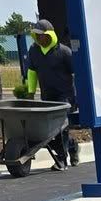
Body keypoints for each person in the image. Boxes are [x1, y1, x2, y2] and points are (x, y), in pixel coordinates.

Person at [18, 19, 79, 167]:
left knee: (61, 127)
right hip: (48, 96)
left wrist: (78, 97)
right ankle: (72, 145)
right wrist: (31, 92)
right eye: (36, 35)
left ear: (50, 35)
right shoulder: (34, 51)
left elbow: (76, 73)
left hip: (65, 96)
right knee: (52, 131)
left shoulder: (64, 52)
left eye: (42, 35)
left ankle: (62, 160)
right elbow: (31, 72)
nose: (39, 38)